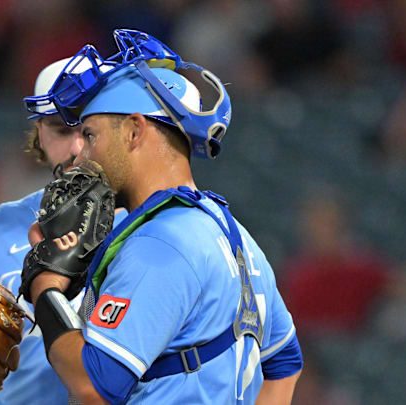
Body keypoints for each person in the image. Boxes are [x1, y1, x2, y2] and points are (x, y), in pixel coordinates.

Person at [22, 30, 303, 404]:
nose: (82, 156)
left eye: (90, 136)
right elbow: (284, 362)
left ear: (135, 130)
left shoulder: (159, 243)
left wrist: (45, 288)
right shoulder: (233, 233)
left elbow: (93, 385)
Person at [0, 58, 127, 404]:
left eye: (89, 129)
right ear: (39, 133)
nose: (78, 147)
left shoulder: (151, 225)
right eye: (62, 130)